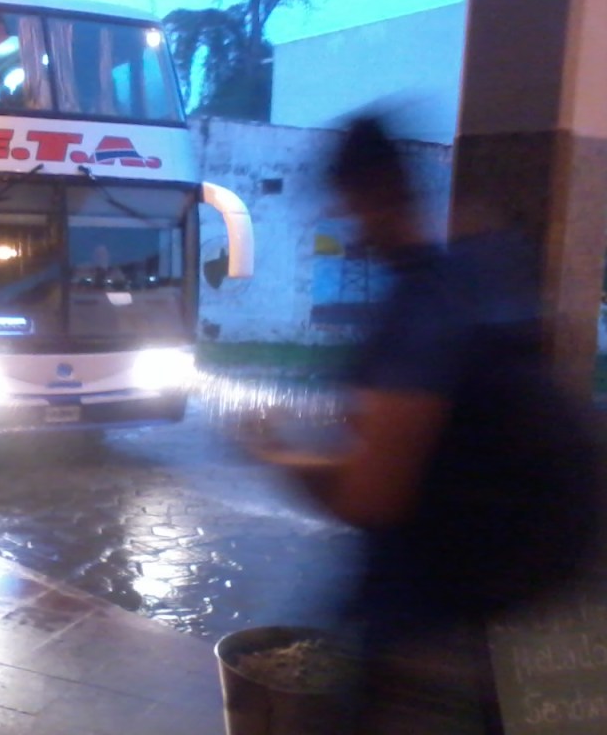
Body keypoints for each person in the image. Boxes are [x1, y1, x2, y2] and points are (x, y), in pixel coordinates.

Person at [255, 115, 601, 733]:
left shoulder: (416, 315)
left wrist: (276, 455)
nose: (344, 222)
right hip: (512, 609)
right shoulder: (480, 276)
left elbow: (373, 494)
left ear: (369, 194)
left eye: (345, 204)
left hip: (425, 621)